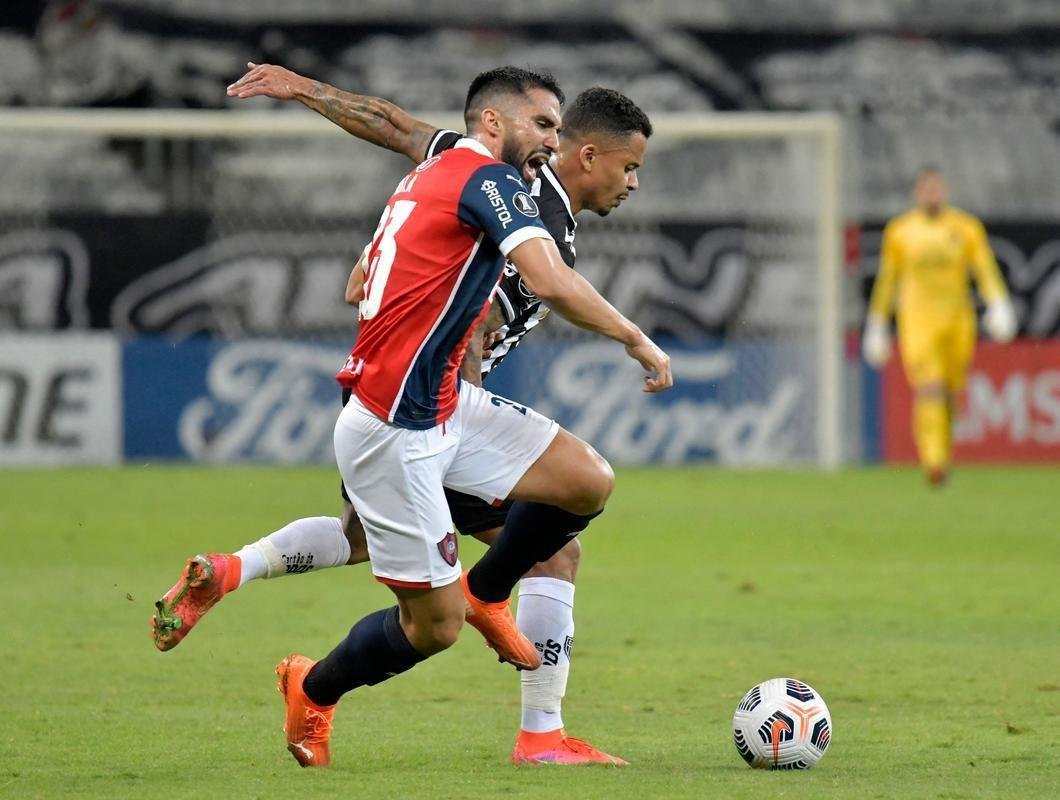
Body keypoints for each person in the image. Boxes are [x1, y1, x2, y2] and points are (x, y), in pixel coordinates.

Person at [160, 65, 672, 769]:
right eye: (630, 166)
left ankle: (232, 570)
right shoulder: (516, 192)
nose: (632, 182)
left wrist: (304, 90)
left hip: (421, 401)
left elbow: (397, 126)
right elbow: (503, 298)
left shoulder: (468, 166)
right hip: (412, 415)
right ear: (586, 154)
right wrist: (634, 338)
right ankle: (504, 707)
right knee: (472, 599)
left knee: (555, 496)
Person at [863, 166, 1016, 485]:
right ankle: (933, 461)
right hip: (917, 321)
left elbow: (983, 268)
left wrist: (999, 303)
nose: (932, 195)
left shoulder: (965, 227)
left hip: (958, 320)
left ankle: (943, 454)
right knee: (928, 386)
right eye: (926, 189)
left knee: (948, 392)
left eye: (937, 189)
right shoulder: (901, 231)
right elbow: (888, 279)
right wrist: (877, 323)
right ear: (917, 193)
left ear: (944, 191)